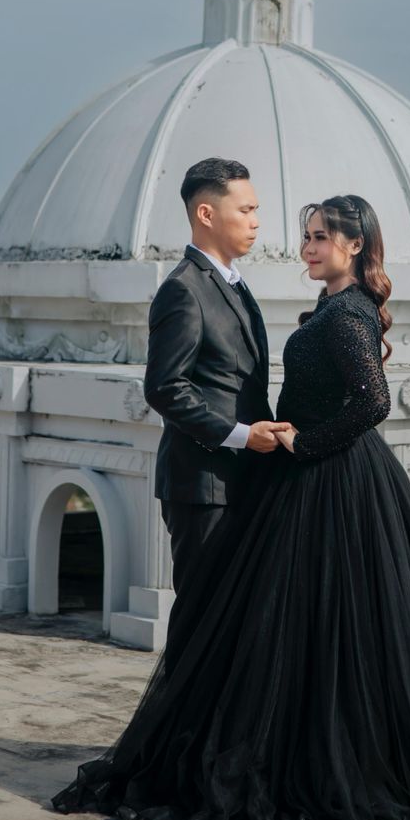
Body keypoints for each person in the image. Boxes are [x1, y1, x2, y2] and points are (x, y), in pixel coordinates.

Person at [51, 194, 410, 820]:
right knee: (297, 625)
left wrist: (305, 443)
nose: (308, 247)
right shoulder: (331, 307)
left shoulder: (347, 313)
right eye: (307, 236)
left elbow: (373, 401)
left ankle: (324, 756)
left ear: (355, 245)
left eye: (322, 237)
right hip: (308, 478)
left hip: (332, 479)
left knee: (326, 623)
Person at [143, 157, 288, 597]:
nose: (256, 222)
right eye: (245, 210)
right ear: (206, 214)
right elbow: (165, 387)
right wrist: (241, 435)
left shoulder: (233, 284)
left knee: (234, 617)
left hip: (244, 480)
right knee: (202, 613)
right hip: (204, 487)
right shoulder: (183, 289)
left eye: (256, 210)